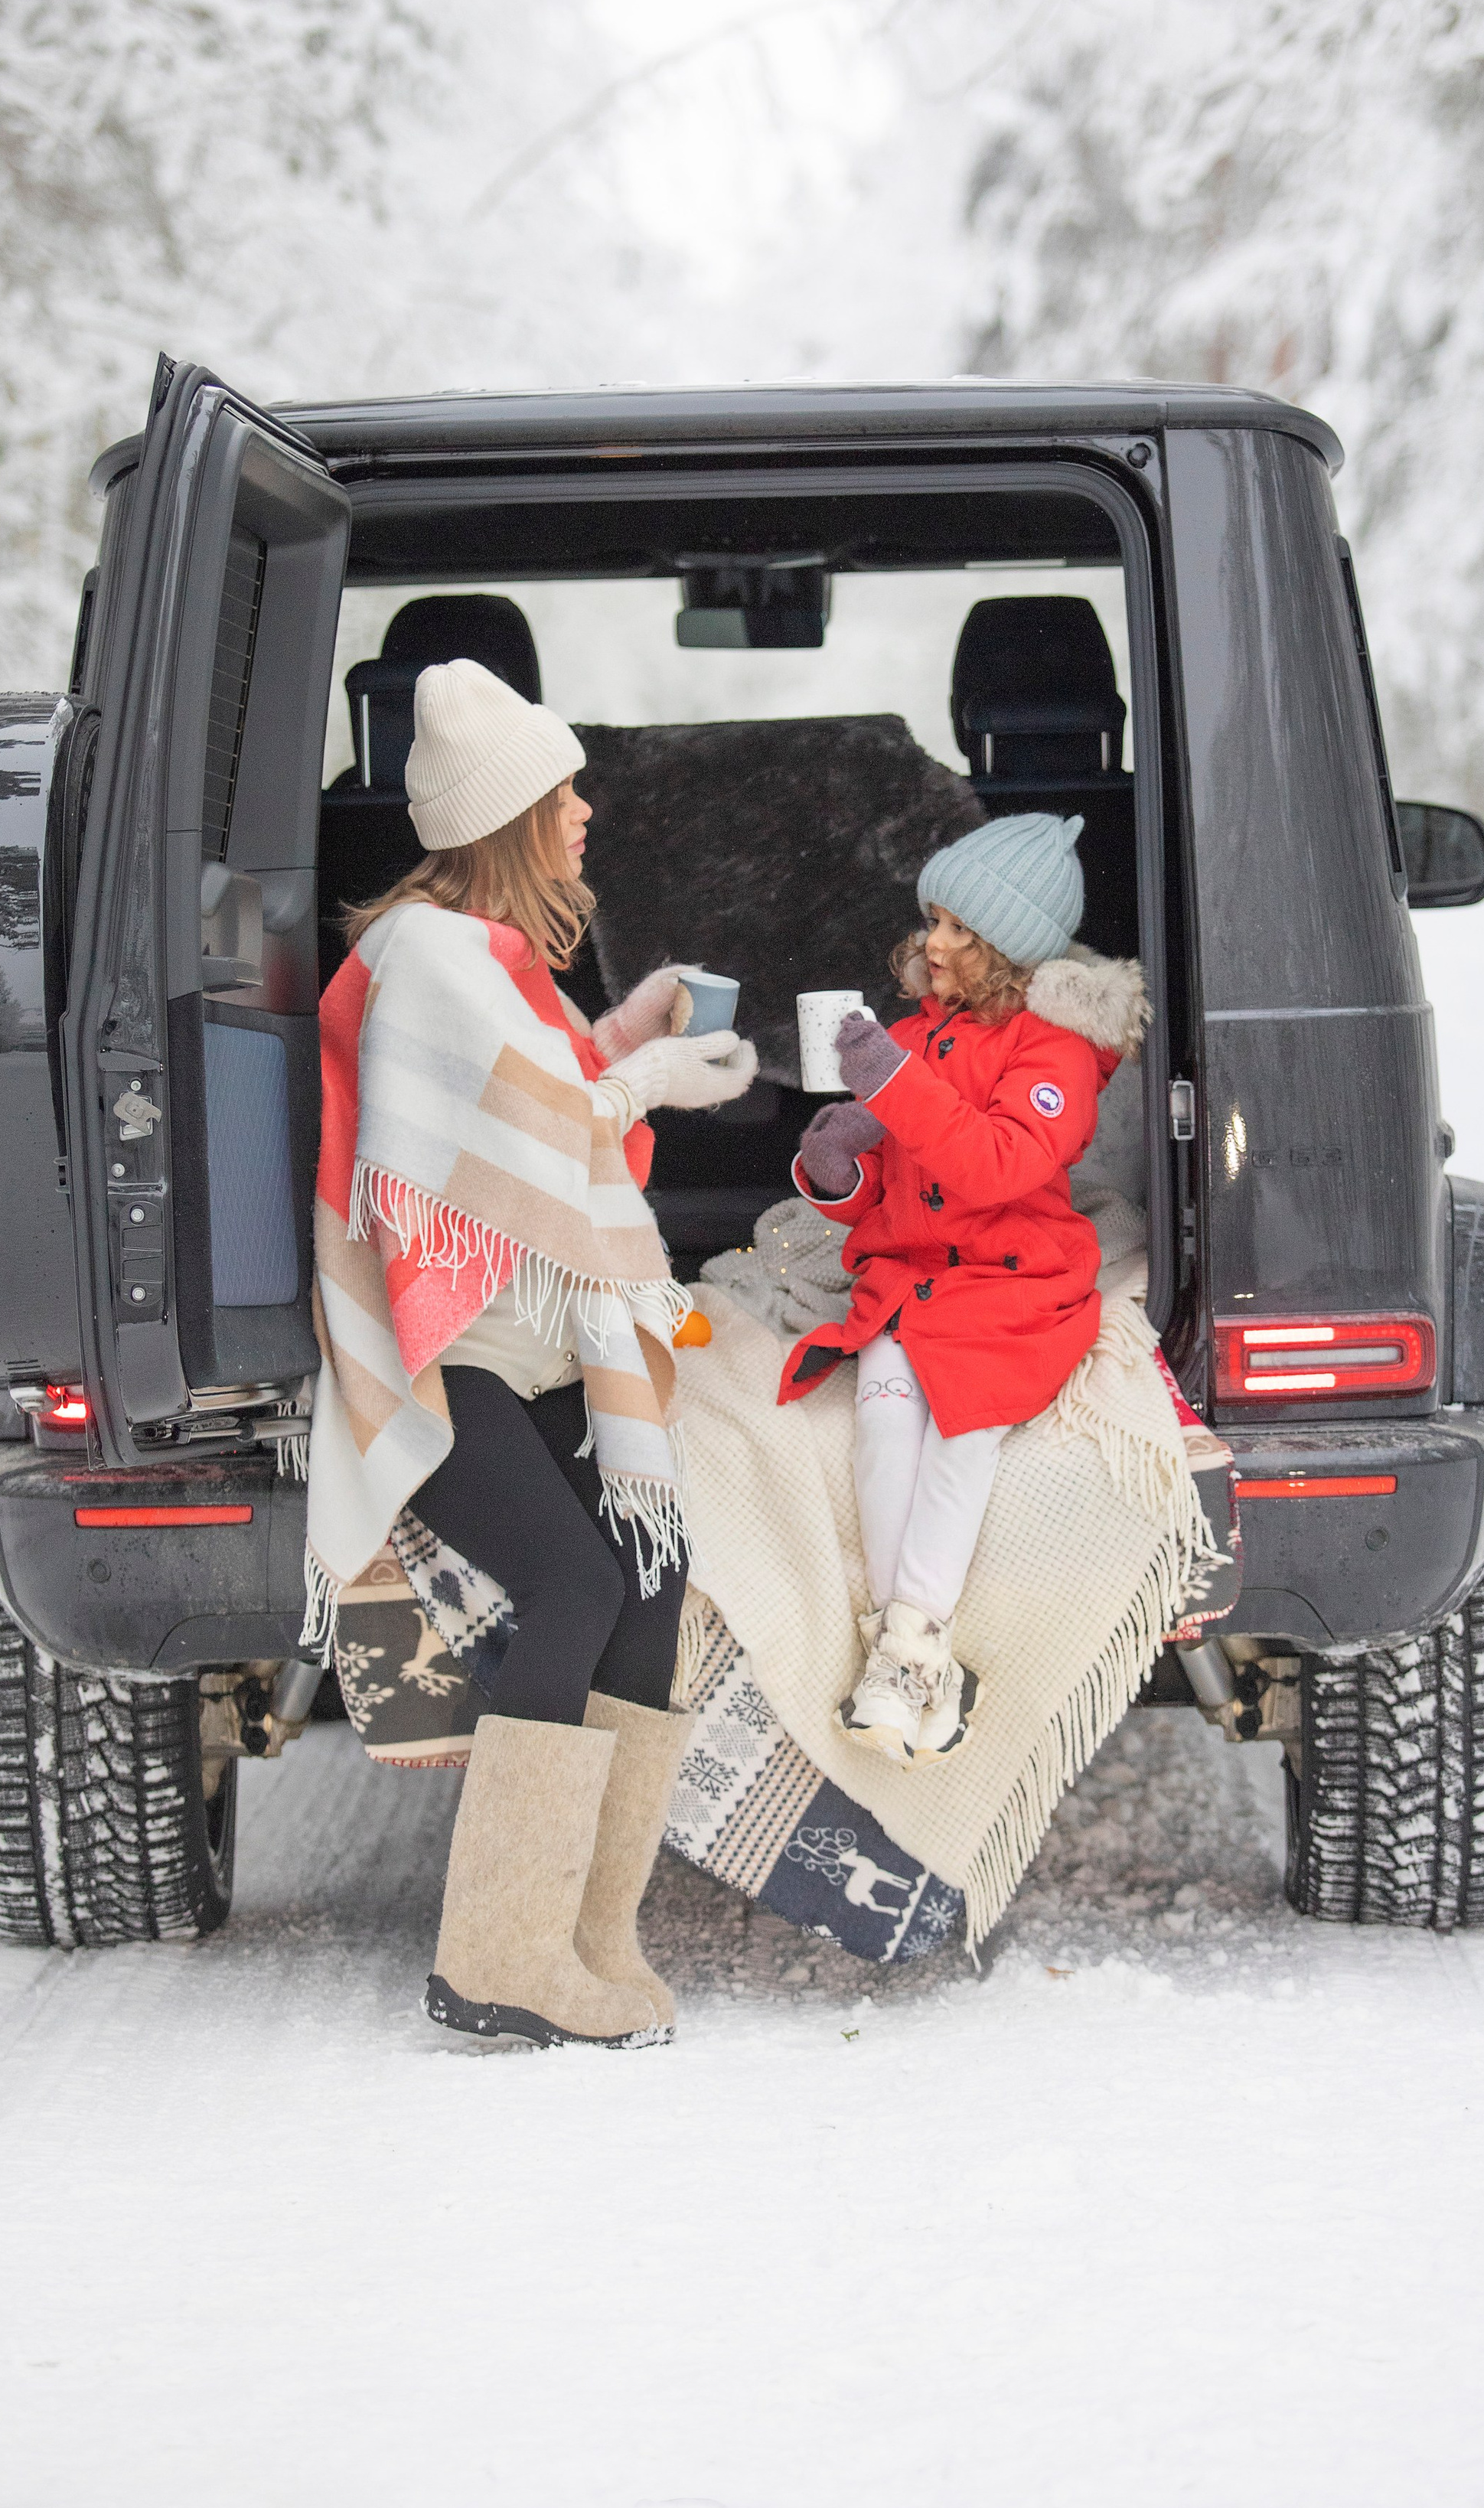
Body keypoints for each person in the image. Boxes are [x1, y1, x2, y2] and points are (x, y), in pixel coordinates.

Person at [304, 659, 757, 2050]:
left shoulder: (496, 962)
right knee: (572, 1582)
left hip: (527, 1345)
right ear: (509, 816)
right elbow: (525, 1140)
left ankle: (587, 1933)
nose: (586, 814)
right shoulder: (429, 961)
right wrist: (643, 1080)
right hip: (440, 1362)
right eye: (565, 794)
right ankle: (497, 1956)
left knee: (652, 1572)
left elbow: (537, 1102)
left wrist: (633, 1028)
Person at [781, 814, 1146, 1763]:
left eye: (959, 932)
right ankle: (917, 1661)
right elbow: (887, 1202)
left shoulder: (1054, 1053)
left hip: (1011, 1284)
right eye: (932, 922)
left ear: (1010, 953)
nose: (933, 945)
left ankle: (902, 1648)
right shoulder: (914, 1035)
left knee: (962, 1436)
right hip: (911, 1282)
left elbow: (992, 1168)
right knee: (883, 1420)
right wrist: (834, 1170)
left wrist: (895, 1086)